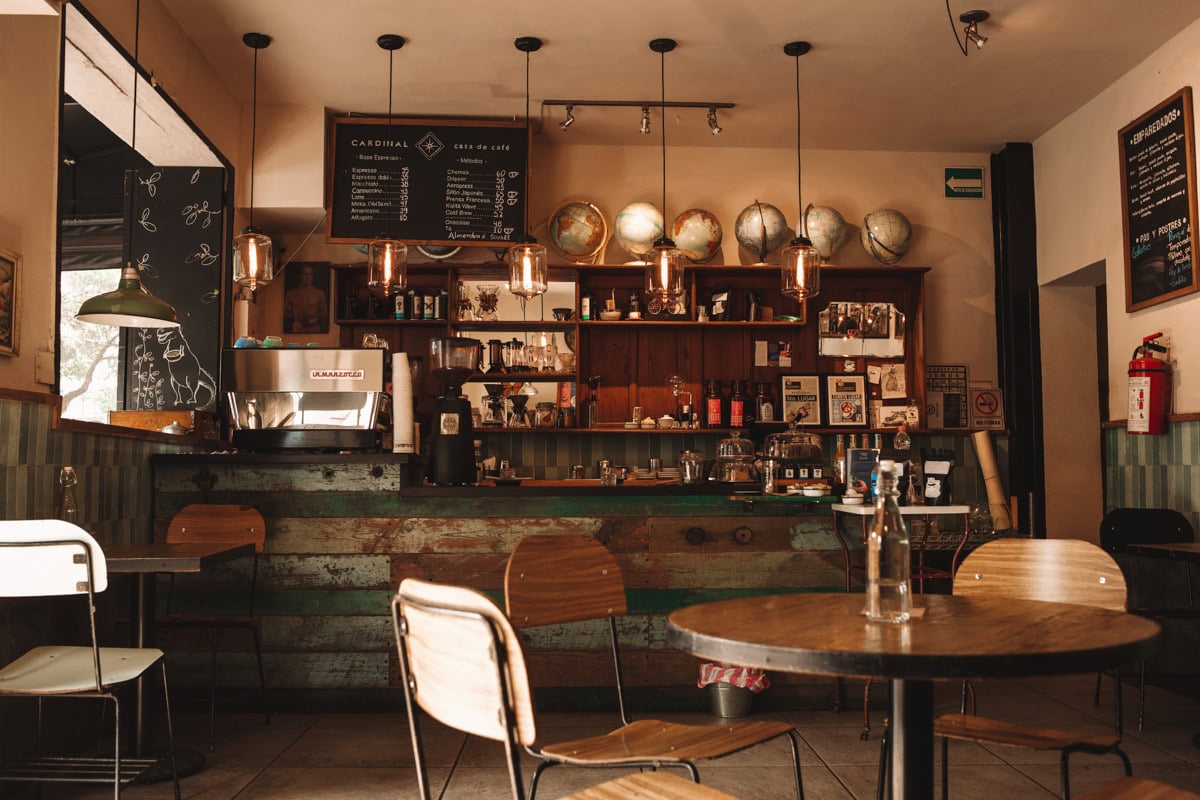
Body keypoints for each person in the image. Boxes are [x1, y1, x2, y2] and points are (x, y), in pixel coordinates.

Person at [284, 264, 328, 334]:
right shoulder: (291, 294)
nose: (308, 277)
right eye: (305, 274)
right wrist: (298, 318)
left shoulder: (319, 294)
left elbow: (324, 314)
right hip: (297, 328)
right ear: (299, 276)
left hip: (314, 329)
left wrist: (313, 320)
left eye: (310, 274)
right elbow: (286, 314)